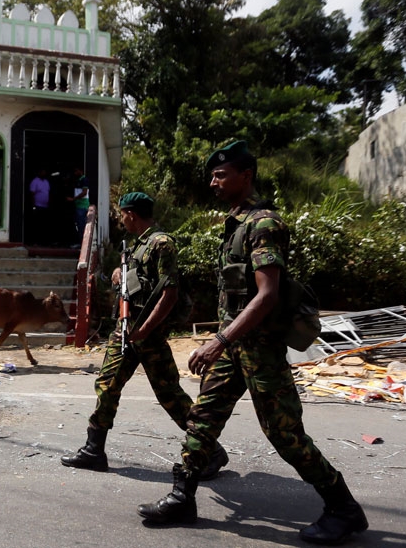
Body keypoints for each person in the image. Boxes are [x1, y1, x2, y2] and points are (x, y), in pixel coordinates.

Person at [135, 141, 368, 545]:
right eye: (212, 176)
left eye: (220, 175)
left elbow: (267, 295)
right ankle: (182, 496)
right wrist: (223, 341)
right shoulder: (236, 224)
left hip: (259, 349)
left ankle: (343, 508)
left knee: (284, 433)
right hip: (234, 347)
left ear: (246, 176)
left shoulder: (263, 224)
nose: (213, 183)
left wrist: (218, 340)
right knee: (203, 418)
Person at [61, 191, 229, 480]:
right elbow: (136, 281)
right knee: (107, 385)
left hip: (147, 334)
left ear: (131, 214)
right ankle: (93, 449)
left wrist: (145, 330)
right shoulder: (137, 246)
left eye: (122, 214)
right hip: (126, 331)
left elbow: (169, 293)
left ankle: (210, 450)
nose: (121, 219)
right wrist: (118, 274)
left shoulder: (161, 243)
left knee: (170, 395)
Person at [68, 166, 90, 245]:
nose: (75, 173)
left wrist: (73, 199)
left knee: (81, 226)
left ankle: (82, 244)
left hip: (82, 206)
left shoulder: (84, 180)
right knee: (79, 225)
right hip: (78, 206)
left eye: (76, 171)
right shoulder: (78, 180)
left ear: (81, 171)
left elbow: (84, 192)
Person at [29, 168, 51, 245]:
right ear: (39, 172)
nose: (44, 173)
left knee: (44, 225)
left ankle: (43, 241)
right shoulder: (35, 181)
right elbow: (31, 194)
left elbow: (48, 192)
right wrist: (33, 206)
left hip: (45, 206)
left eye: (44, 172)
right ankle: (35, 241)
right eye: (42, 172)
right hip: (37, 206)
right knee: (37, 224)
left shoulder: (46, 182)